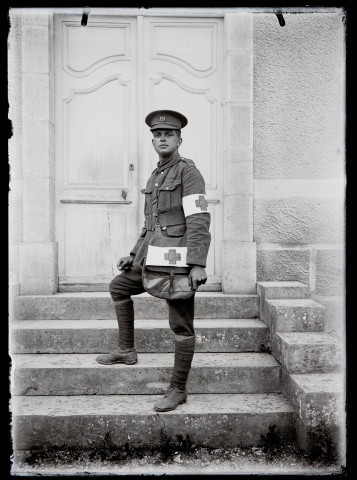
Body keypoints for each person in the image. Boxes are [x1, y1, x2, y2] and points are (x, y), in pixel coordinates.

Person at [96, 110, 211, 412]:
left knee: (181, 325)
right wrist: (133, 255)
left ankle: (178, 389)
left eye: (168, 134)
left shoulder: (188, 172)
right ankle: (126, 349)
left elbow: (198, 219)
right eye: (157, 135)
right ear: (153, 141)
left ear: (179, 139)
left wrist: (198, 263)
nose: (162, 139)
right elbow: (150, 224)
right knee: (119, 286)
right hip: (151, 257)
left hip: (177, 263)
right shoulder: (156, 174)